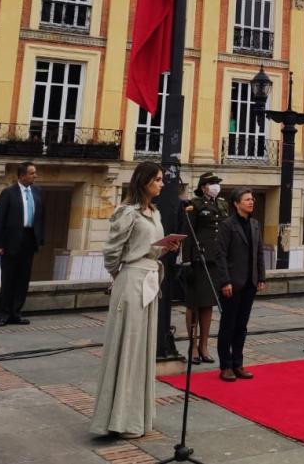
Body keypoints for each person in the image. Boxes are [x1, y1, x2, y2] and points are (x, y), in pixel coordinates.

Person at [89, 162, 182, 439]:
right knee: (128, 346)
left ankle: (135, 417)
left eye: (162, 179)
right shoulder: (127, 212)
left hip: (150, 279)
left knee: (143, 348)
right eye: (157, 179)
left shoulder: (154, 212)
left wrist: (167, 247)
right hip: (132, 281)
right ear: (143, 182)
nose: (162, 184)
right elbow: (112, 251)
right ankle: (117, 417)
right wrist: (120, 274)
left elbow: (149, 250)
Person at [214, 188, 267, 381]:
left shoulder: (254, 224)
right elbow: (220, 255)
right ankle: (225, 365)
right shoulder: (227, 225)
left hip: (250, 282)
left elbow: (259, 252)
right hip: (232, 283)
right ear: (237, 203)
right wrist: (225, 281)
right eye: (247, 200)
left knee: (242, 326)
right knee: (228, 324)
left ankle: (238, 363)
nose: (251, 202)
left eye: (252, 199)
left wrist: (261, 277)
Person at [182, 172, 229, 365]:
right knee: (193, 304)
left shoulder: (223, 204)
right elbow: (188, 234)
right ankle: (192, 346)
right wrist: (187, 261)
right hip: (198, 260)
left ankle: (204, 345)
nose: (216, 186)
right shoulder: (195, 205)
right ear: (203, 187)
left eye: (217, 183)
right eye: (212, 184)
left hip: (214, 260)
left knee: (208, 304)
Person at [0, 162, 44, 327]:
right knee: (8, 279)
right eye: (32, 173)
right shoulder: (8, 193)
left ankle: (16, 313)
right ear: (22, 176)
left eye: (35, 173)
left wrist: (40, 238)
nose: (35, 176)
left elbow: (41, 217)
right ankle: (3, 315)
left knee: (23, 279)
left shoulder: (38, 192)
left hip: (29, 239)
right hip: (10, 241)